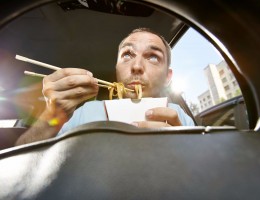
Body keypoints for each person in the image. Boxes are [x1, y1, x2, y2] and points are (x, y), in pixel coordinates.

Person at [15, 28, 194, 146]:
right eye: (127, 55)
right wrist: (51, 116)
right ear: (116, 68)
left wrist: (182, 149)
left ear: (168, 77)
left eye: (153, 57)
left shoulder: (178, 117)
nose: (137, 66)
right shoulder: (85, 112)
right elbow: (20, 162)